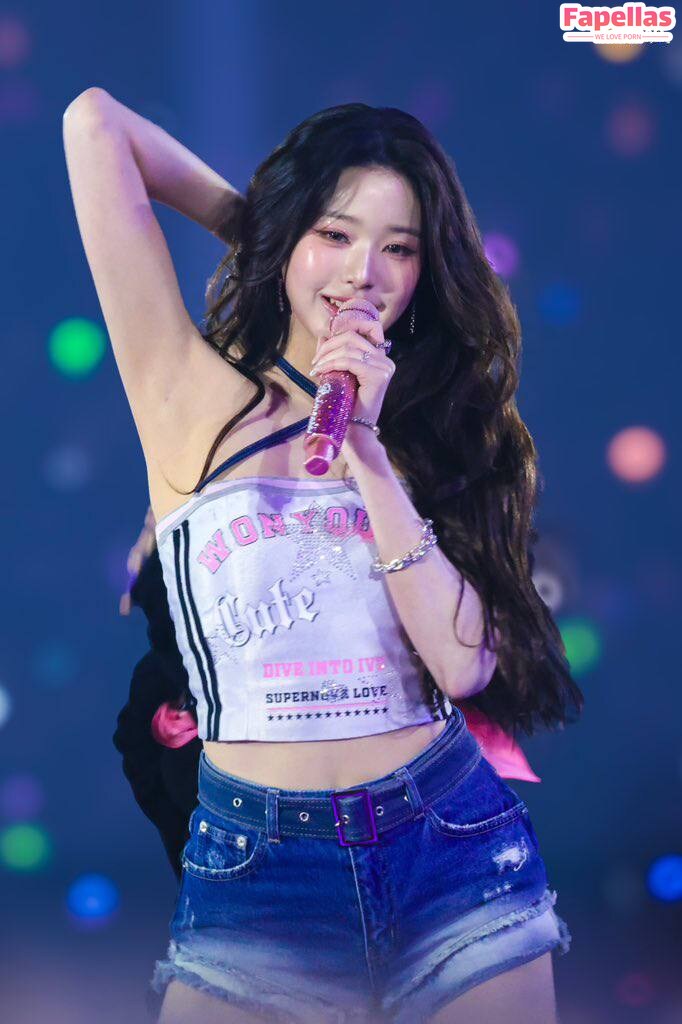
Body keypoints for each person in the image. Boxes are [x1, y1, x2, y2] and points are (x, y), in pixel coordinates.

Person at [63, 89, 584, 1023]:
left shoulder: (438, 432)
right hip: (258, 867)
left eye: (398, 249)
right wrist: (269, 241)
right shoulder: (191, 400)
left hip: (449, 845)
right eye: (336, 233)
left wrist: (371, 456)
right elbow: (95, 124)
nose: (364, 274)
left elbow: (464, 665)